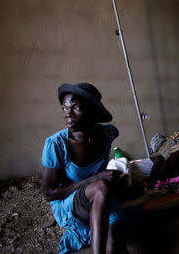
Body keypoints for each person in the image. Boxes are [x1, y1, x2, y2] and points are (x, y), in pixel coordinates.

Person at [41, 83, 128, 254]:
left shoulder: (107, 134)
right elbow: (48, 193)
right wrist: (93, 179)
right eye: (64, 108)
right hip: (70, 205)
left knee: (114, 241)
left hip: (100, 200)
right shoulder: (57, 144)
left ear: (92, 110)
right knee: (101, 186)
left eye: (76, 107)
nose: (68, 114)